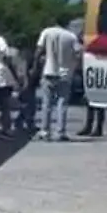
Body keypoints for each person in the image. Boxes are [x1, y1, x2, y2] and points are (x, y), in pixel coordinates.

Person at [36, 12, 82, 142]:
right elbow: (78, 53)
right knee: (62, 103)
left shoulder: (47, 32)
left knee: (47, 103)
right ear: (67, 23)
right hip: (64, 72)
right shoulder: (71, 36)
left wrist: (35, 66)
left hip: (49, 70)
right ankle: (60, 132)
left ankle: (45, 131)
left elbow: (39, 50)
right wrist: (74, 66)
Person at [15, 48, 42, 133]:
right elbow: (24, 70)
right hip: (27, 83)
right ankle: (27, 122)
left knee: (29, 104)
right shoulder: (26, 55)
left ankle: (21, 121)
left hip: (29, 82)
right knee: (30, 104)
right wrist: (26, 83)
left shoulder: (25, 55)